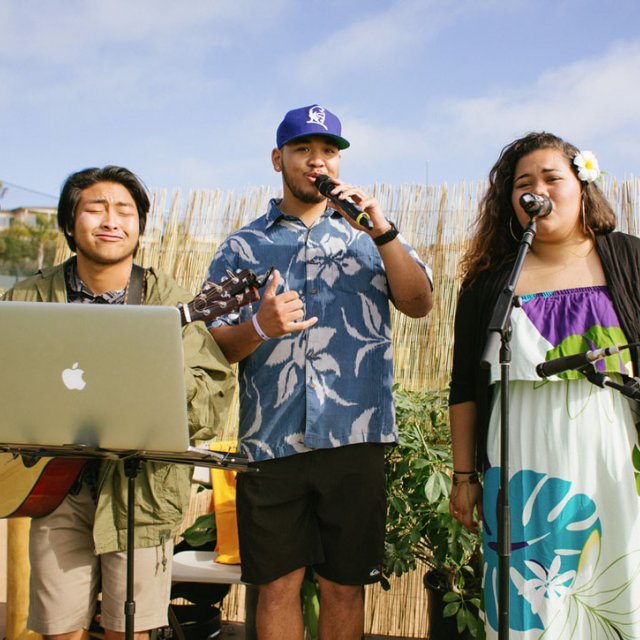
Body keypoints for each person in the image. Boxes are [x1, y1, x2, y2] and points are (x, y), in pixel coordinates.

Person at [206, 104, 433, 640]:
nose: (317, 161)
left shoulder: (372, 238)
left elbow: (420, 303)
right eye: (303, 150)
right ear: (276, 158)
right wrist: (258, 327)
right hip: (271, 442)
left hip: (356, 436)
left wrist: (383, 231)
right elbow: (216, 348)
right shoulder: (243, 246)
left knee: (343, 585)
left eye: (328, 150)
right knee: (277, 586)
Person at [2, 166, 235, 640]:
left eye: (124, 210)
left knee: (130, 631)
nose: (111, 220)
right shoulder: (27, 297)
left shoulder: (165, 299)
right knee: (58, 629)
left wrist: (153, 375)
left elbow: (209, 398)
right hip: (52, 484)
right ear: (69, 224)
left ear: (139, 228)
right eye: (96, 208)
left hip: (138, 490)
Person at [448, 132, 640, 638]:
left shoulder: (628, 257)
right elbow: (465, 386)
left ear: (582, 185)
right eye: (523, 184)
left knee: (616, 586)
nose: (537, 191)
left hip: (612, 450)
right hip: (519, 456)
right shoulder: (489, 280)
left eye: (552, 177)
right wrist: (464, 475)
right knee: (528, 598)